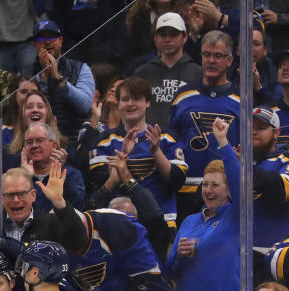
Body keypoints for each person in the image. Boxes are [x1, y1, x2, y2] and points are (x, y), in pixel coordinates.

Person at [164, 117, 239, 291]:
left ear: (228, 190)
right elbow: (169, 270)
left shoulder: (235, 216)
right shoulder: (189, 221)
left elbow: (239, 181)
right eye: (205, 184)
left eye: (215, 185)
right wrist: (178, 256)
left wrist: (222, 142)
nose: (208, 190)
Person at [85, 76, 187, 236]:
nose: (131, 104)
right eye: (125, 99)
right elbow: (100, 186)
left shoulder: (167, 137)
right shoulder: (104, 141)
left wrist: (156, 152)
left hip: (162, 222)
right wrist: (123, 156)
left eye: (137, 99)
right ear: (118, 104)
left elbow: (177, 182)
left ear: (148, 102)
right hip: (118, 223)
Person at [168, 30, 241, 221]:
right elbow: (172, 139)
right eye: (206, 55)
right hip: (186, 188)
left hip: (225, 191)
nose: (211, 60)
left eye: (218, 56)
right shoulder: (183, 95)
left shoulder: (242, 100)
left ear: (229, 60)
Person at [127, 13, 203, 128]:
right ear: (156, 38)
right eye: (163, 35)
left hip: (184, 141)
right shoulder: (141, 73)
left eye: (173, 35)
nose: (168, 39)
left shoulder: (198, 73)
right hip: (147, 140)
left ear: (185, 38)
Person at [251, 106, 289, 250]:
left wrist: (241, 167)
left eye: (262, 127)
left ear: (276, 132)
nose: (253, 132)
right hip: (236, 253)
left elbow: (280, 190)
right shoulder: (236, 159)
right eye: (248, 126)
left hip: (274, 254)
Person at [29, 20, 95, 141]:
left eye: (52, 37)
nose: (47, 42)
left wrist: (58, 78)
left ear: (61, 40)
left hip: (75, 139)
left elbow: (85, 105)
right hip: (38, 140)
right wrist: (43, 77)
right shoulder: (27, 73)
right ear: (34, 44)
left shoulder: (81, 68)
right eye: (41, 39)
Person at [21, 122, 85, 214]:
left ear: (54, 146)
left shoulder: (70, 174)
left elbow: (77, 209)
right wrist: (27, 178)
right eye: (29, 142)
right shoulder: (18, 177)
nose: (34, 145)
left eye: (40, 140)